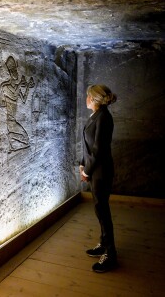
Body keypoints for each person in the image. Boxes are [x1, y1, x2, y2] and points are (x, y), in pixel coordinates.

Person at [79, 84, 117, 273]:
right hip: (96, 170)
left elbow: (98, 149)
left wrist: (86, 171)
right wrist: (82, 164)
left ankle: (110, 255)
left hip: (100, 172)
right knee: (99, 209)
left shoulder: (103, 117)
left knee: (102, 211)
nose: (85, 99)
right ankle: (103, 244)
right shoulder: (96, 116)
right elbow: (89, 144)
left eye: (88, 96)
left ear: (94, 99)